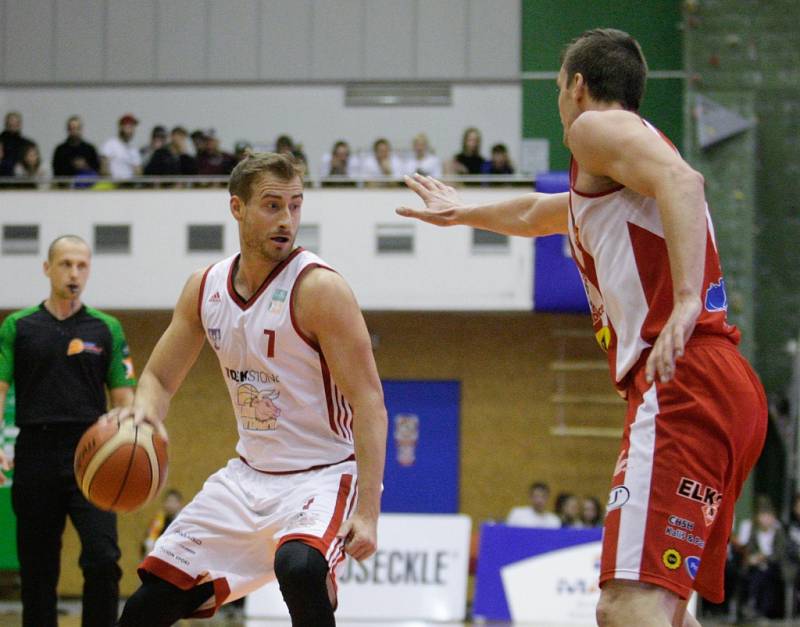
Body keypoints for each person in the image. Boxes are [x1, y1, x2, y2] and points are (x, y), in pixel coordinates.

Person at [397, 28, 768, 627]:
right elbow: (535, 213)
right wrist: (461, 210)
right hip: (718, 383)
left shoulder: (594, 130)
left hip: (683, 374)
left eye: (558, 90)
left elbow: (686, 183)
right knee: (667, 611)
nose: (561, 103)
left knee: (624, 605)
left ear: (576, 85)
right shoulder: (616, 167)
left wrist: (685, 302)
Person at [112, 152, 387, 626]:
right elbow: (157, 379)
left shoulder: (320, 290)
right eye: (272, 205)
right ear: (236, 207)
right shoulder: (205, 288)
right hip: (246, 477)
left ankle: (319, 567)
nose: (287, 220)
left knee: (297, 567)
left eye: (295, 206)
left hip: (321, 473)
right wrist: (143, 414)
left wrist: (368, 513)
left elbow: (369, 403)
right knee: (144, 607)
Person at [0, 235, 136, 627]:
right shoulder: (18, 326)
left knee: (103, 558)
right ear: (47, 268)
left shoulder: (106, 328)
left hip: (91, 454)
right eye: (65, 264)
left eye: (81, 265)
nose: (74, 273)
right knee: (39, 571)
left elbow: (125, 401)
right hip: (35, 453)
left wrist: (133, 445)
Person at [141, 489, 184, 557]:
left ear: (179, 504)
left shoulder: (183, 522)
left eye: (173, 501)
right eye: (168, 501)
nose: (170, 504)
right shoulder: (159, 519)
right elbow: (149, 539)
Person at [100, 113, 142, 180]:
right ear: (121, 127)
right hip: (111, 184)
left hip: (129, 186)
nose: (131, 130)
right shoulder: (110, 144)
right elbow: (104, 169)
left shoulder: (134, 150)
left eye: (133, 127)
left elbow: (138, 171)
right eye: (129, 127)